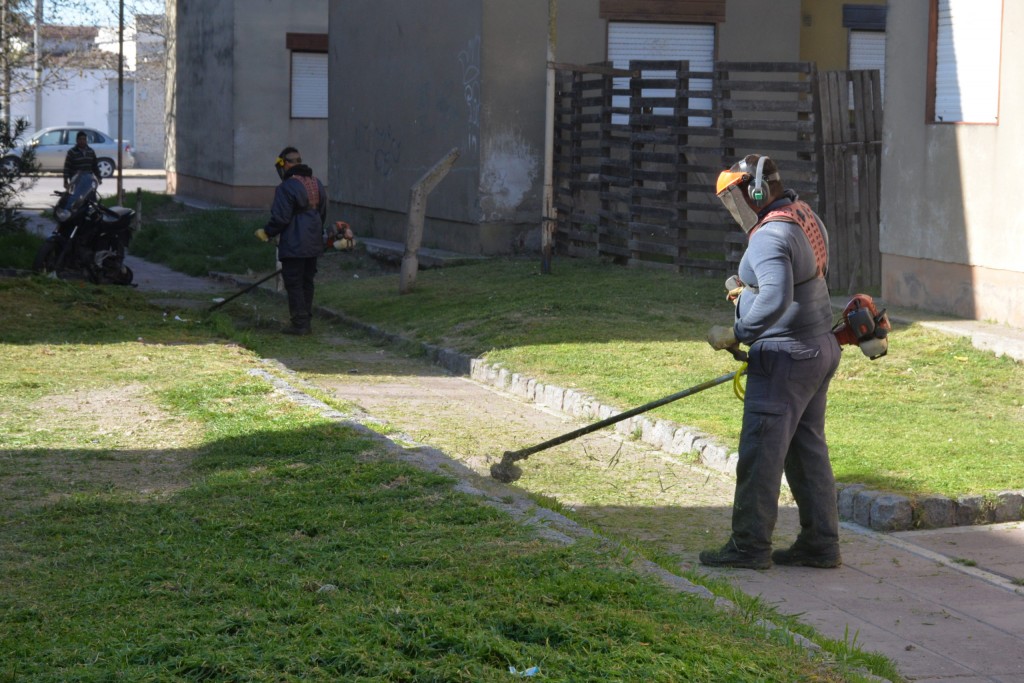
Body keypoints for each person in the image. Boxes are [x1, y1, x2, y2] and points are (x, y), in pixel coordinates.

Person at [699, 154, 843, 570]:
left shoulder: (768, 235)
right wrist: (746, 296)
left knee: (761, 453)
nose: (736, 207)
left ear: (756, 190)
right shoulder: (803, 214)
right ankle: (820, 544)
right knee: (806, 449)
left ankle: (748, 547)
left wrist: (738, 331)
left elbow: (777, 298)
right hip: (818, 347)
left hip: (785, 358)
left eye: (736, 196)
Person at [254, 147, 327, 335]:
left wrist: (267, 232)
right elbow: (322, 213)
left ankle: (300, 324)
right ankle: (306, 321)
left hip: (294, 242)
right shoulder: (316, 183)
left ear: (285, 165)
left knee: (293, 282)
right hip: (313, 242)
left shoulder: (286, 187)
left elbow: (281, 218)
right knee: (307, 281)